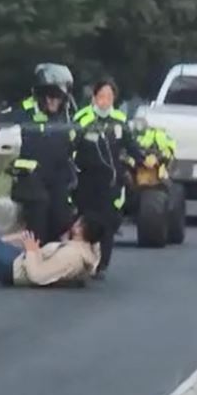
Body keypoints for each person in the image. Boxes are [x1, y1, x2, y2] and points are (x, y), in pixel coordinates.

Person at [71, 79, 141, 279]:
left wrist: (143, 160)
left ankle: (102, 265)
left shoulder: (119, 119)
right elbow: (71, 145)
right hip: (87, 180)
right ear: (94, 98)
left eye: (109, 97)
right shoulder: (82, 119)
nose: (105, 101)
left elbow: (131, 145)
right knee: (86, 220)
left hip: (111, 180)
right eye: (101, 97)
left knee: (108, 222)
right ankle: (83, 261)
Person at [10, 64, 78, 242]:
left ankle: (56, 261)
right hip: (32, 179)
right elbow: (1, 132)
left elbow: (76, 142)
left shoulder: (68, 114)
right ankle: (36, 261)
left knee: (62, 219)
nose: (52, 101)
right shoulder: (24, 111)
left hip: (59, 177)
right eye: (49, 96)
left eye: (58, 97)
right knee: (38, 220)